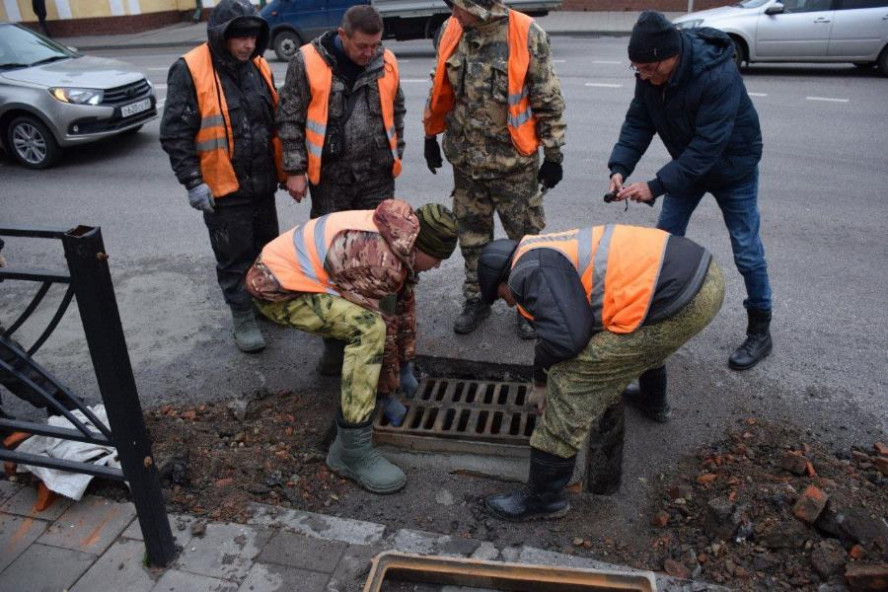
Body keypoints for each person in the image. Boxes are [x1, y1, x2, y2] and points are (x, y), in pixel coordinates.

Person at [476, 224, 725, 520]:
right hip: (699, 274)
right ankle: (653, 402)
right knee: (627, 333)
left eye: (502, 296)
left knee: (572, 379)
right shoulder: (540, 249)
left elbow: (567, 340)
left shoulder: (526, 274)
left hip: (682, 297)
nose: (508, 303)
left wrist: (544, 380)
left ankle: (544, 499)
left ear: (501, 281)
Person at [245, 200, 458, 494]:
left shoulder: (400, 237)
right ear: (422, 248)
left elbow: (403, 302)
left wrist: (407, 362)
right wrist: (387, 390)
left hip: (297, 275)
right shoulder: (379, 261)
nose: (439, 266)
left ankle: (335, 361)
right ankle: (350, 451)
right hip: (277, 290)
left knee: (362, 315)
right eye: (437, 259)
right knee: (368, 329)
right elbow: (382, 327)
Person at [606, 11, 772, 371]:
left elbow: (708, 147)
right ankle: (654, 311)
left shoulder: (717, 75)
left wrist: (655, 186)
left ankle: (760, 329)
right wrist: (620, 166)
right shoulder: (650, 73)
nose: (642, 76)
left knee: (746, 249)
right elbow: (640, 120)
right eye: (636, 69)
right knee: (663, 241)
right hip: (689, 167)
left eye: (648, 69)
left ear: (670, 56)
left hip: (733, 167)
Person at [422, 0, 566, 340]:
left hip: (513, 166)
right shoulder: (450, 30)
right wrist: (430, 135)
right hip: (466, 163)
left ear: (480, 6)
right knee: (471, 239)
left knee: (525, 241)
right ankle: (477, 299)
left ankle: (528, 305)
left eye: (458, 7)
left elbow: (548, 98)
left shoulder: (526, 33)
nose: (453, 14)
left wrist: (555, 155)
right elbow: (439, 88)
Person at [277, 4, 406, 374]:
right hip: (331, 179)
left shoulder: (386, 60)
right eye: (362, 46)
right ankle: (336, 346)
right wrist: (295, 168)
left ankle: (381, 338)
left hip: (377, 176)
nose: (369, 53)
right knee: (334, 260)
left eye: (374, 46)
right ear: (342, 34)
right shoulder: (307, 61)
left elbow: (397, 111)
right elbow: (289, 117)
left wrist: (398, 151)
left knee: (381, 257)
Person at [160, 0, 285, 354]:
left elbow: (271, 121)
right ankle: (242, 315)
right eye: (239, 37)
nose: (247, 44)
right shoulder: (190, 69)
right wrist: (192, 181)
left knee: (266, 251)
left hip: (261, 183)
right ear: (220, 36)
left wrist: (287, 168)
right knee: (234, 257)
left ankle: (263, 303)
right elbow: (174, 133)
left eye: (252, 36)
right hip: (222, 189)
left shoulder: (258, 65)